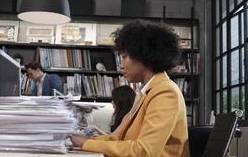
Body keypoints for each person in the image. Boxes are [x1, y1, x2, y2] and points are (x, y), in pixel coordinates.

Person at [70, 19, 190, 157]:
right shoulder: (145, 92)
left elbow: (144, 151)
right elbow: (117, 137)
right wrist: (86, 141)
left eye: (124, 57)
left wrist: (87, 144)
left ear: (144, 56)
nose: (121, 65)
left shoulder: (165, 93)